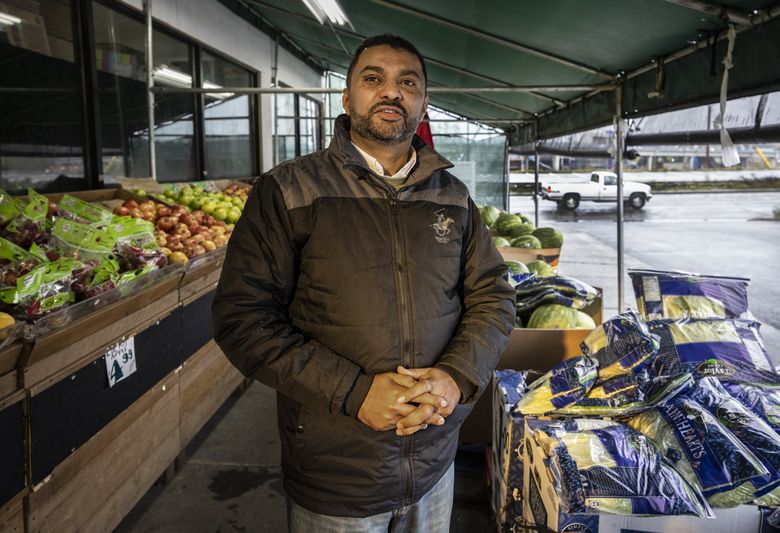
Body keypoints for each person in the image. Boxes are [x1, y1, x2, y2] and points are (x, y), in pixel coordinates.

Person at [211, 34, 515, 533]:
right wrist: (354, 393)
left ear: (423, 102)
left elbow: (494, 295)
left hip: (435, 458)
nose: (391, 92)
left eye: (408, 83)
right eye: (373, 79)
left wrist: (455, 378)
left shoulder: (452, 196)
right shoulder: (288, 191)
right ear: (348, 98)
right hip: (336, 472)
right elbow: (242, 319)